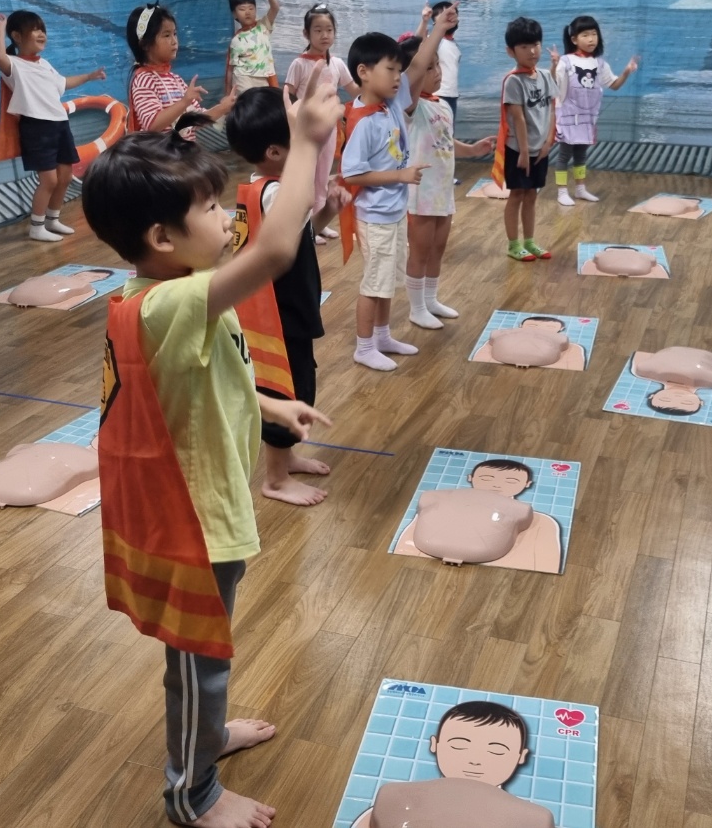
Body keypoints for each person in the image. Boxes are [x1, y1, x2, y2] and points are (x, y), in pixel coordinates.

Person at [81, 63, 340, 828]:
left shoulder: (171, 295)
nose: (230, 221)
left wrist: (267, 402)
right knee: (200, 657)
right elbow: (274, 252)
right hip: (191, 520)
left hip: (207, 501)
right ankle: (190, 796)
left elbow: (199, 379)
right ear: (160, 237)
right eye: (213, 208)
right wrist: (305, 144)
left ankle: (206, 734)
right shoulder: (169, 303)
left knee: (206, 655)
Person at [225, 88, 350, 507]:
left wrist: (327, 211)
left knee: (294, 382)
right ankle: (275, 479)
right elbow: (283, 241)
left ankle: (286, 456)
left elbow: (300, 235)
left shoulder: (263, 189)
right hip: (279, 314)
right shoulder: (277, 193)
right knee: (287, 389)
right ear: (278, 150)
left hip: (279, 308)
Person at [338, 6, 456, 371]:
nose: (398, 76)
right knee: (374, 282)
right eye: (390, 69)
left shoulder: (389, 104)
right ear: (363, 72)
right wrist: (399, 177)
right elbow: (352, 175)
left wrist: (438, 28)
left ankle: (383, 336)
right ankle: (363, 346)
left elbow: (418, 66)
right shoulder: (363, 120)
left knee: (387, 279)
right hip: (374, 216)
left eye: (397, 70)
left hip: (391, 211)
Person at [398, 34, 495, 330]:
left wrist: (471, 149)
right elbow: (412, 78)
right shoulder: (409, 107)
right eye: (429, 67)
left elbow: (445, 142)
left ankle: (430, 299)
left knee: (438, 248)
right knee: (420, 250)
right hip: (420, 193)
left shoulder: (441, 105)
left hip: (441, 190)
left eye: (438, 65)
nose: (437, 72)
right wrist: (436, 29)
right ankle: (416, 308)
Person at [0, 10, 106, 242]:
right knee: (49, 180)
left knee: (64, 175)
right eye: (35, 29)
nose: (42, 33)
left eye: (43, 29)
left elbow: (63, 83)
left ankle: (53, 219)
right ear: (17, 36)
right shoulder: (13, 65)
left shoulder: (44, 64)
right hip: (37, 128)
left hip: (60, 125)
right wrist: (0, 27)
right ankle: (37, 226)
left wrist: (88, 77)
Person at [349, 701, 549, 828]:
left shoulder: (531, 818)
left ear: (520, 756)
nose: (475, 760)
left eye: (496, 749)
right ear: (435, 745)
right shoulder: (394, 799)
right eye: (459, 745)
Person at [394, 458, 562, 572]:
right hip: (432, 545)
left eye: (510, 481)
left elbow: (541, 557)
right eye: (487, 478)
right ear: (471, 478)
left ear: (527, 484)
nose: (496, 484)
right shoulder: (438, 498)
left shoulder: (526, 512)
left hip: (488, 552)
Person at [283, 4, 358, 247]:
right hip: (306, 131)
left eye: (329, 30)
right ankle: (305, 225)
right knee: (306, 176)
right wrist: (293, 121)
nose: (325, 35)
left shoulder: (336, 63)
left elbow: (354, 89)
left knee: (323, 175)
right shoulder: (299, 64)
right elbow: (289, 92)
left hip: (329, 129)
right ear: (306, 34)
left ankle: (319, 224)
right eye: (318, 30)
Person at [549, 16, 637, 206]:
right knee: (564, 155)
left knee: (581, 154)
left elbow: (614, 85)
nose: (591, 39)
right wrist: (554, 64)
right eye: (586, 35)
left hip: (588, 118)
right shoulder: (565, 61)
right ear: (574, 39)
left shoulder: (600, 64)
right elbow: (553, 83)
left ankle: (580, 189)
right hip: (568, 117)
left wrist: (627, 71)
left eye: (594, 34)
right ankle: (562, 192)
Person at [491, 18, 558, 262]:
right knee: (517, 195)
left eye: (536, 45)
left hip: (540, 149)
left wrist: (548, 142)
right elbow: (517, 119)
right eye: (524, 47)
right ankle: (513, 244)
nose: (532, 51)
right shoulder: (513, 80)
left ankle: (530, 241)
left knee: (532, 195)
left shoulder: (544, 77)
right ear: (511, 51)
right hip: (518, 149)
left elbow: (551, 110)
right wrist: (523, 151)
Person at [125, 3, 235, 134]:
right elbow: (152, 125)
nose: (174, 41)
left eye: (175, 33)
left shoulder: (175, 80)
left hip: (183, 152)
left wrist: (223, 107)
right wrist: (184, 102)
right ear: (145, 45)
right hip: (160, 153)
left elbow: (195, 121)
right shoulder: (143, 80)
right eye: (166, 35)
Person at [472, 315, 587, 370]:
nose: (537, 329)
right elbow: (493, 337)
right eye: (532, 325)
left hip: (546, 355)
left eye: (550, 327)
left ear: (559, 330)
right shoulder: (506, 332)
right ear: (521, 326)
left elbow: (567, 348)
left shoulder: (562, 340)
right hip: (504, 351)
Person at [225, 0, 280, 94]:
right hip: (242, 77)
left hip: (263, 77)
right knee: (249, 103)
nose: (248, 12)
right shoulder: (236, 40)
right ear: (234, 14)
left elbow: (275, 8)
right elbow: (230, 69)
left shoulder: (263, 26)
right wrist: (227, 95)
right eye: (242, 9)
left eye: (251, 8)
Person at [414, 0, 462, 120]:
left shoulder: (454, 44)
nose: (449, 18)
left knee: (448, 133)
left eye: (452, 14)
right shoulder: (434, 40)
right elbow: (417, 44)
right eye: (444, 15)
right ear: (435, 23)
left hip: (451, 96)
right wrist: (424, 21)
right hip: (437, 95)